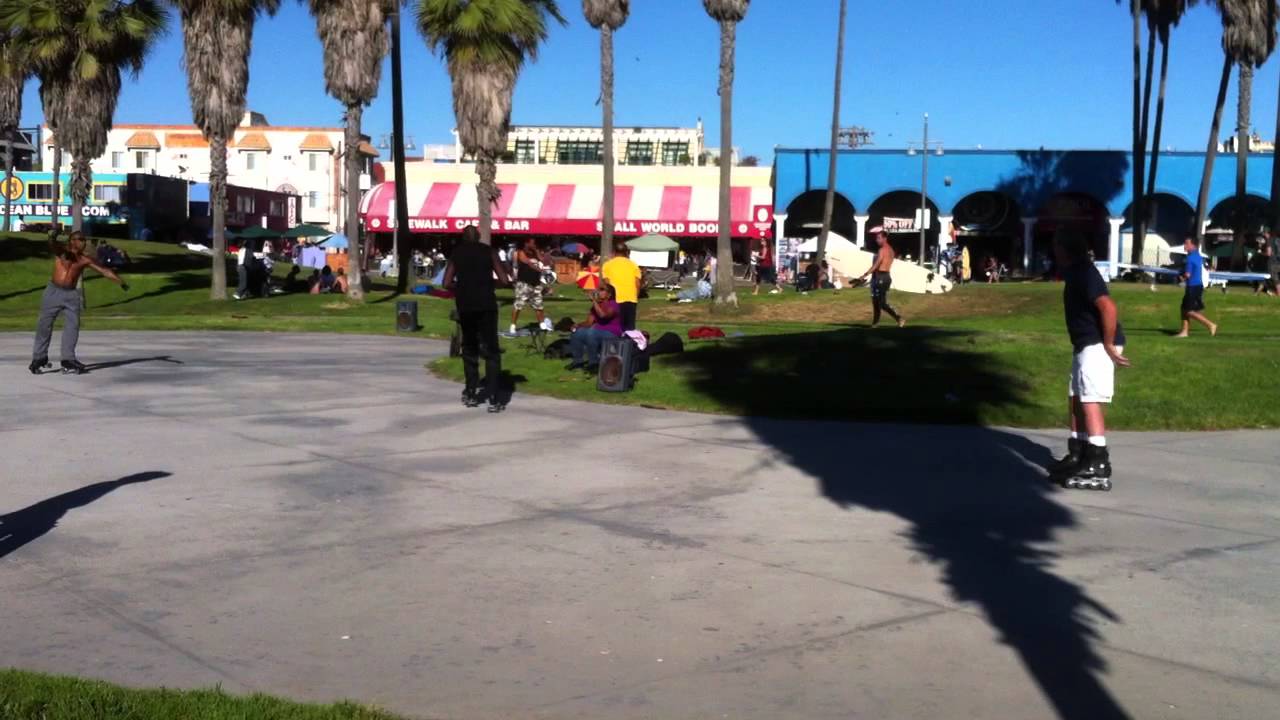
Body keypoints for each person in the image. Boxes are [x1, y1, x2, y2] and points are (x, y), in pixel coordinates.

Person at [1047, 229, 1130, 491]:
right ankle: (1079, 451)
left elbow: (1108, 307)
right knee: (1076, 397)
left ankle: (1098, 460)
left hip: (1096, 344)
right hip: (1085, 344)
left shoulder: (1085, 272)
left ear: (1065, 249)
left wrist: (1108, 343)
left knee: (1090, 399)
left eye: (1056, 246)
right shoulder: (1075, 272)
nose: (1054, 251)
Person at [30, 231, 129, 375]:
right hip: (53, 292)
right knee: (44, 325)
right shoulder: (63, 253)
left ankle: (68, 359)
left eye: (84, 240)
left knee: (73, 326)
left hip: (71, 295)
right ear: (72, 241)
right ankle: (39, 358)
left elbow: (104, 270)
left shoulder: (84, 259)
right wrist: (51, 237)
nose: (83, 242)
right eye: (80, 239)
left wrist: (120, 282)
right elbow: (54, 246)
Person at [443, 225, 511, 412]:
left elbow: (446, 282)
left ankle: (471, 392)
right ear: (479, 237)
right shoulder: (489, 252)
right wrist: (488, 283)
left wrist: (462, 286)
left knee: (469, 348)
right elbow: (504, 280)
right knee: (491, 350)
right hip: (486, 305)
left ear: (463, 238)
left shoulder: (457, 253)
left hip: (466, 305)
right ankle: (495, 398)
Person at [566, 284, 624, 371]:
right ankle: (577, 361)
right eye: (598, 290)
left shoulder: (614, 304)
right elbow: (589, 323)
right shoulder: (596, 306)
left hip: (612, 333)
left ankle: (593, 362)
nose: (598, 292)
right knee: (577, 332)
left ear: (609, 294)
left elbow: (603, 316)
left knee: (592, 333)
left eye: (602, 289)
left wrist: (594, 301)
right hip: (596, 331)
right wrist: (578, 325)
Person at [857, 227, 905, 328]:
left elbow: (876, 265)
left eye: (879, 238)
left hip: (881, 277)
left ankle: (899, 318)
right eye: (876, 238)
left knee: (881, 303)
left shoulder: (882, 250)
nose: (877, 240)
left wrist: (865, 275)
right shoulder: (891, 250)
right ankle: (875, 323)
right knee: (876, 301)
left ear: (884, 238)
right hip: (885, 276)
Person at [1175, 237, 1217, 338]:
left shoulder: (1190, 258)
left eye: (1187, 243)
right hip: (1198, 286)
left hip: (1193, 287)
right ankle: (1184, 332)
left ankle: (1210, 325)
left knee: (1188, 311)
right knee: (1183, 309)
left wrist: (1181, 278)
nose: (1184, 245)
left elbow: (1188, 274)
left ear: (1193, 245)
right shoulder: (1198, 256)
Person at [510, 237, 551, 334]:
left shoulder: (535, 252)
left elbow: (543, 261)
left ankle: (542, 325)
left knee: (538, 305)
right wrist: (541, 270)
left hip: (535, 283)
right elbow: (528, 263)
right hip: (524, 282)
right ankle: (513, 325)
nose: (534, 245)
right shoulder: (520, 252)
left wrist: (538, 252)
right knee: (518, 304)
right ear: (526, 243)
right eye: (532, 243)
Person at [602, 241, 642, 331]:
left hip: (615, 299)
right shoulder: (633, 265)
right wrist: (635, 297)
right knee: (630, 328)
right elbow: (637, 284)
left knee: (615, 328)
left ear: (614, 252)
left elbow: (607, 284)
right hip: (631, 299)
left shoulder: (607, 265)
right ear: (626, 252)